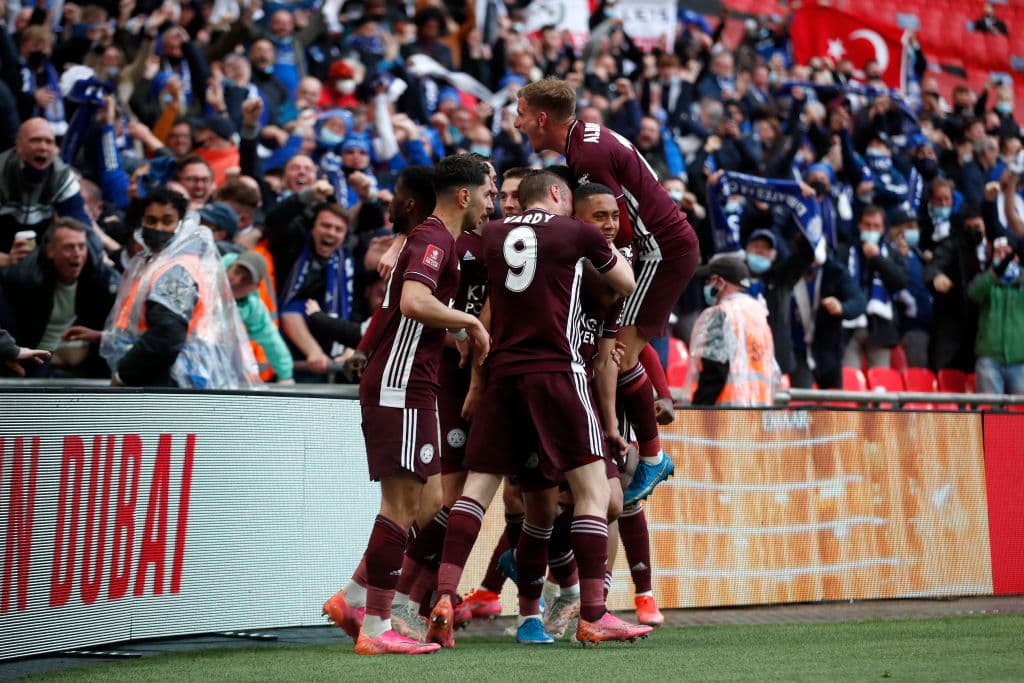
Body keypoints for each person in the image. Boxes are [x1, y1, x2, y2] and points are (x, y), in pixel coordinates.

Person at [428, 170, 650, 647]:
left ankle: (443, 595)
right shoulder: (575, 231)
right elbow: (626, 283)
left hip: (503, 375)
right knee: (594, 494)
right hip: (558, 372)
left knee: (476, 491)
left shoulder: (490, 234)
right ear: (556, 195)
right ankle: (593, 613)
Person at [321, 154, 491, 656]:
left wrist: (449, 329)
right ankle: (376, 626)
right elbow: (414, 302)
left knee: (431, 503)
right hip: (400, 382)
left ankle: (352, 600)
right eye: (489, 191)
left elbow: (413, 307)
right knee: (399, 507)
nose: (492, 201)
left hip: (413, 380)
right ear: (465, 195)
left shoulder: (436, 239)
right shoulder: (436, 239)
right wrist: (470, 323)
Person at [514, 77, 700, 506]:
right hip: (661, 248)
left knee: (617, 354)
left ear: (542, 118)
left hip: (658, 252)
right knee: (616, 347)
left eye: (521, 113)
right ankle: (629, 450)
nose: (516, 122)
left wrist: (603, 271)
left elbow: (619, 228)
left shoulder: (587, 155)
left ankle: (646, 456)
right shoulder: (587, 139)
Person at [99, 188, 259, 389]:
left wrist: (124, 375)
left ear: (181, 226)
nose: (158, 227)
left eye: (167, 221)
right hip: (178, 376)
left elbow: (167, 335)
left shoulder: (175, 270)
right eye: (151, 220)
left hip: (173, 379)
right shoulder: (159, 262)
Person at [0, 217, 119, 378]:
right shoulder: (24, 279)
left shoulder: (98, 278)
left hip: (78, 359)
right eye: (69, 247)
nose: (77, 254)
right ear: (50, 251)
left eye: (82, 247)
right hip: (31, 357)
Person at [0, 118, 94, 265]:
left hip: (43, 257)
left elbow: (82, 229)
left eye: (49, 142)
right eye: (35, 140)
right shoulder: (1, 172)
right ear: (18, 145)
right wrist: (6, 260)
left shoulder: (62, 177)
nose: (43, 147)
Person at [686, 256, 778, 405]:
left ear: (720, 282)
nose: (706, 285)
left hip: (726, 412)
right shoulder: (758, 313)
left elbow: (714, 370)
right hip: (757, 409)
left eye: (709, 280)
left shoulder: (722, 314)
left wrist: (699, 408)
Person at [221, 250, 294, 384]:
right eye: (236, 272)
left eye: (246, 280)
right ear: (231, 266)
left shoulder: (251, 307)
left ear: (255, 287)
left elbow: (271, 340)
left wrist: (286, 376)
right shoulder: (208, 274)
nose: (236, 281)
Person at [968, 238, 1023, 394]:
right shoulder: (984, 279)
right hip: (989, 360)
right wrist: (994, 275)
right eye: (998, 253)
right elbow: (973, 294)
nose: (1003, 257)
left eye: (1007, 253)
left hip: (1020, 361)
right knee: (990, 414)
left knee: (1021, 415)